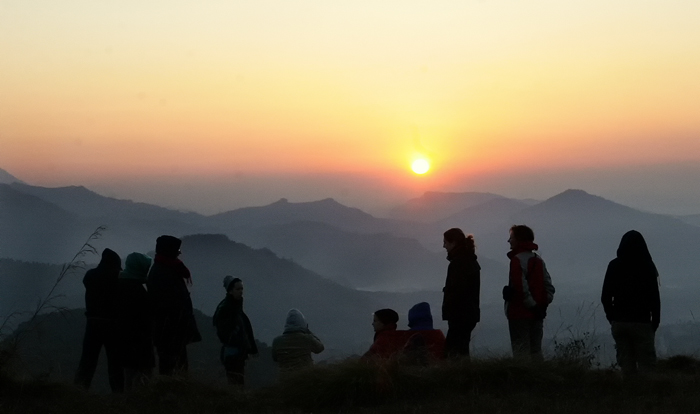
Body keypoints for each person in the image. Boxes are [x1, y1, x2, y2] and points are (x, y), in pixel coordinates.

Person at [601, 230, 660, 376]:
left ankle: (629, 389)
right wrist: (654, 323)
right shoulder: (647, 266)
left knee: (626, 364)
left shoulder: (614, 265)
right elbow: (654, 299)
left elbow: (605, 296)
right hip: (642, 322)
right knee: (647, 365)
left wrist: (612, 318)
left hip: (620, 322)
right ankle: (646, 390)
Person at [147, 235, 201, 376]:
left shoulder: (166, 269)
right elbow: (168, 305)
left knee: (176, 368)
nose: (179, 253)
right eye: (177, 250)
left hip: (173, 332)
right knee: (172, 369)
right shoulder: (163, 272)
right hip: (169, 333)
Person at [74, 248, 124, 392]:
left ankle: (78, 391)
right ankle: (118, 393)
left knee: (87, 360)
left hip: (93, 323)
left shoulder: (90, 276)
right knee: (115, 362)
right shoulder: (118, 278)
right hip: (113, 324)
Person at [502, 225, 555, 361]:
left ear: (519, 240)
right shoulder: (538, 260)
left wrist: (532, 305)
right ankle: (539, 373)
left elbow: (521, 287)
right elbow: (549, 286)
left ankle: (524, 374)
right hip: (538, 314)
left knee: (521, 352)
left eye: (511, 238)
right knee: (536, 350)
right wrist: (542, 305)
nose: (509, 241)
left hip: (519, 313)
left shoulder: (517, 260)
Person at [117, 252, 155, 391]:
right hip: (140, 344)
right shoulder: (138, 292)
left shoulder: (120, 287)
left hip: (125, 342)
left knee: (129, 377)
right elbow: (146, 319)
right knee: (142, 380)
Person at [441, 228, 480, 359]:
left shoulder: (459, 263)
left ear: (453, 243)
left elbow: (458, 291)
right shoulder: (470, 260)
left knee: (453, 352)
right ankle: (463, 370)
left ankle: (459, 371)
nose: (444, 246)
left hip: (459, 314)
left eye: (445, 242)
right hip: (469, 314)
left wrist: (449, 307)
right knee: (462, 349)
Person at [213, 276, 258, 386]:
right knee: (235, 382)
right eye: (238, 289)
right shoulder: (226, 308)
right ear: (230, 291)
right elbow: (224, 332)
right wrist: (236, 341)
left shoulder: (236, 308)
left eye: (242, 289)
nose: (241, 292)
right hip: (232, 353)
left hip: (238, 352)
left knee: (237, 382)